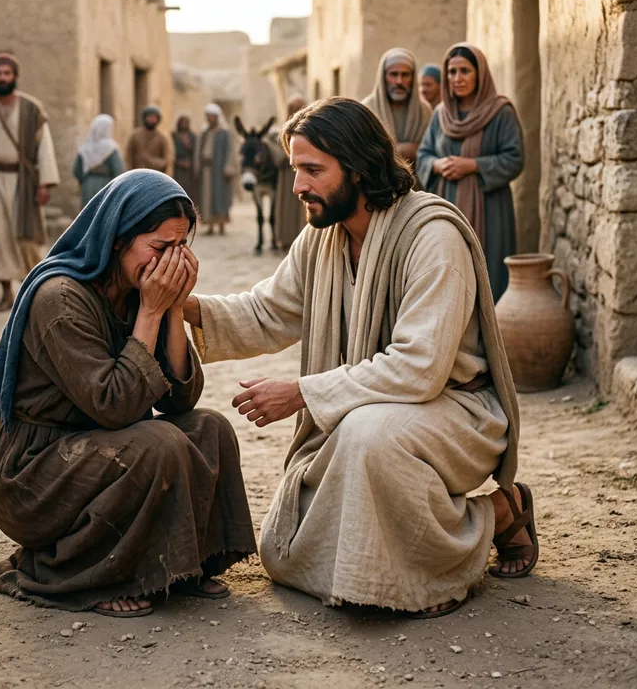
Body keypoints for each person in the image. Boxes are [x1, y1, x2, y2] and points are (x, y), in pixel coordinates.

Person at [183, 97, 539, 618]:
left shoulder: (431, 236)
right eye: (294, 169)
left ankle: (494, 519)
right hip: (367, 413)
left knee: (368, 434)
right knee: (282, 551)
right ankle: (392, 558)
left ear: (356, 166)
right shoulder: (321, 239)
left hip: (457, 412)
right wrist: (183, 306)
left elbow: (420, 367)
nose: (298, 185)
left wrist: (302, 392)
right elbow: (266, 310)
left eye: (312, 170)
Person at [0, 169, 256, 617]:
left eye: (181, 247)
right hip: (33, 474)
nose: (171, 260)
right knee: (159, 443)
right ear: (117, 239)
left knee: (210, 429)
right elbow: (115, 406)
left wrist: (169, 310)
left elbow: (180, 401)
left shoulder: (134, 290)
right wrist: (150, 309)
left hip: (99, 450)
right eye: (160, 247)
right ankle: (89, 574)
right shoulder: (61, 298)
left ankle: (186, 566)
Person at [416, 44, 524, 302]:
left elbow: (515, 158)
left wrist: (473, 165)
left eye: (465, 71)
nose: (457, 78)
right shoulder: (441, 115)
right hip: (448, 204)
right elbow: (423, 154)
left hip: (490, 210)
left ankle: (487, 337)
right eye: (452, 72)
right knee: (447, 266)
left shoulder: (500, 112)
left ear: (480, 74)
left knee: (489, 271)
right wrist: (437, 165)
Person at [0, 53, 60, 313]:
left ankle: (33, 291)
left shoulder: (32, 109)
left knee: (27, 239)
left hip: (25, 182)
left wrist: (45, 183)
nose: (2, 78)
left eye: (7, 74)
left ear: (15, 76)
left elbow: (45, 147)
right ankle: (6, 293)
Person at [362, 47, 432, 170]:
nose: (399, 81)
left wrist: (418, 151)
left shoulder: (425, 111)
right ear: (384, 77)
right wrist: (399, 150)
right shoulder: (367, 108)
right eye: (393, 74)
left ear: (412, 78)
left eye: (405, 75)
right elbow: (360, 150)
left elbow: (432, 151)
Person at [271, 95, 307, 250]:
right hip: (287, 175)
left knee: (302, 208)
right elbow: (280, 156)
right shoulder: (284, 131)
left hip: (304, 174)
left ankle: (302, 240)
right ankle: (286, 238)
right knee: (286, 208)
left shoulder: (310, 129)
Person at [196, 103, 235, 236]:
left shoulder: (224, 133)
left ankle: (221, 225)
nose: (210, 119)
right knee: (208, 198)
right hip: (207, 171)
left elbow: (230, 151)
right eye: (208, 116)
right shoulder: (204, 132)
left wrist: (228, 167)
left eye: (212, 116)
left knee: (220, 197)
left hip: (219, 171)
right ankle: (210, 226)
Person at [73, 114, 124, 208]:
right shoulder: (111, 148)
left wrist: (85, 182)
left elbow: (77, 171)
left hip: (87, 185)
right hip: (106, 186)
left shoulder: (85, 148)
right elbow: (118, 171)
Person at [126, 105, 171, 174]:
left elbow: (166, 160)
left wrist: (151, 161)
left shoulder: (162, 137)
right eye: (150, 117)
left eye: (154, 117)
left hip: (155, 175)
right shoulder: (135, 135)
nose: (152, 119)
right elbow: (128, 157)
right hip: (137, 174)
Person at [172, 112, 197, 200]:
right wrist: (178, 162)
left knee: (189, 190)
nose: (184, 124)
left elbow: (195, 152)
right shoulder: (174, 136)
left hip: (190, 169)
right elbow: (171, 152)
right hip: (177, 168)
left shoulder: (193, 137)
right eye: (182, 122)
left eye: (186, 122)